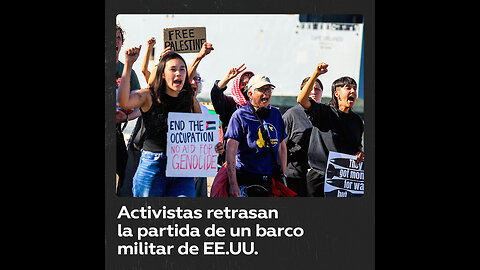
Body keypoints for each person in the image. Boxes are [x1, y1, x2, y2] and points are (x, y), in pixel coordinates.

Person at [117, 46, 223, 197]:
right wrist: (128, 65)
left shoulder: (189, 99)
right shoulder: (149, 96)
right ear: (163, 73)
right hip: (153, 166)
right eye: (173, 69)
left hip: (182, 170)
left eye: (182, 69)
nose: (178, 73)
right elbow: (124, 102)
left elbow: (201, 132)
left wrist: (212, 147)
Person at [297, 62, 364, 197]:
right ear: (337, 93)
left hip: (344, 180)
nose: (353, 92)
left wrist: (360, 154)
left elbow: (357, 147)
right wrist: (316, 74)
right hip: (319, 178)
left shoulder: (357, 121)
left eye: (355, 89)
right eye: (348, 88)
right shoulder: (324, 112)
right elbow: (301, 100)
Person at [224, 75, 288, 197]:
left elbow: (282, 147)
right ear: (250, 93)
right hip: (245, 178)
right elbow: (230, 151)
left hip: (270, 178)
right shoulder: (239, 116)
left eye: (268, 90)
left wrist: (283, 175)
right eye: (262, 90)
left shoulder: (276, 114)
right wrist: (233, 184)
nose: (266, 93)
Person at [282, 77, 323, 196]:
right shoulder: (291, 115)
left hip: (319, 180)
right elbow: (280, 147)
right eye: (309, 89)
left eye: (317, 89)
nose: (314, 92)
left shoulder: (327, 115)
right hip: (294, 179)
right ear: (302, 92)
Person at [115, 24, 141, 195]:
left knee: (125, 173)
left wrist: (124, 118)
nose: (115, 40)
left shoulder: (128, 72)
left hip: (115, 134)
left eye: (118, 37)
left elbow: (141, 108)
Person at [210, 64, 254, 165]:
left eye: (248, 84)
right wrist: (228, 78)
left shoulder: (257, 107)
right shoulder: (230, 103)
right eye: (243, 84)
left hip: (252, 156)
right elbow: (216, 94)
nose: (245, 87)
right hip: (232, 156)